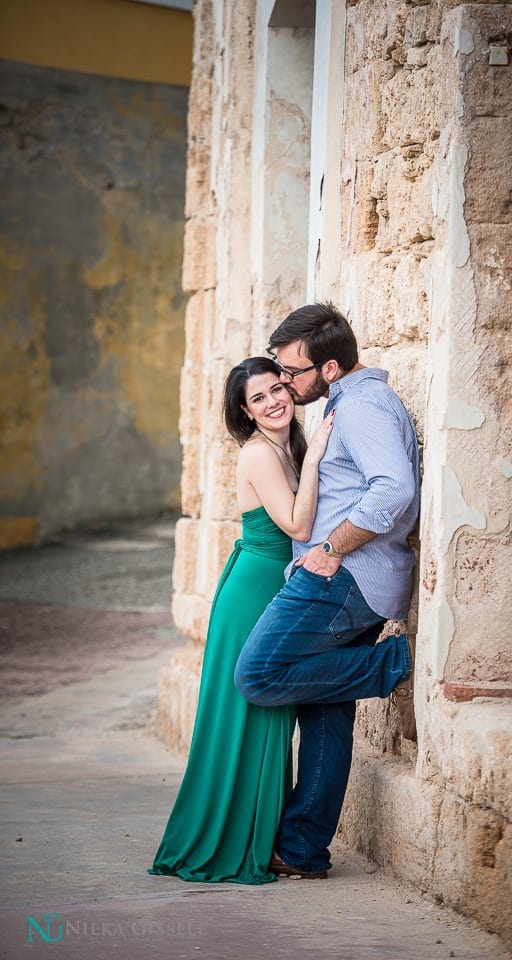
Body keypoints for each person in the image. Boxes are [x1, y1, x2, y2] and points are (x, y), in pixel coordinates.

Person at [234, 302, 419, 880]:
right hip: (351, 578)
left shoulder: (362, 406)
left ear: (330, 368)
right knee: (324, 712)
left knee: (258, 675)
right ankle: (303, 848)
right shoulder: (347, 404)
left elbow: (394, 489)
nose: (284, 383)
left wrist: (331, 549)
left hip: (340, 579)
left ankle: (393, 663)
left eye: (292, 373)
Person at [149, 356, 334, 884]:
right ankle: (224, 840)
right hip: (254, 590)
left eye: (278, 388)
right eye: (259, 398)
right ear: (244, 411)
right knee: (245, 713)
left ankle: (260, 836)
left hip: (273, 585)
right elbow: (297, 522)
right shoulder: (259, 453)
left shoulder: (284, 444)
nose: (274, 401)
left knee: (271, 716)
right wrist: (318, 455)